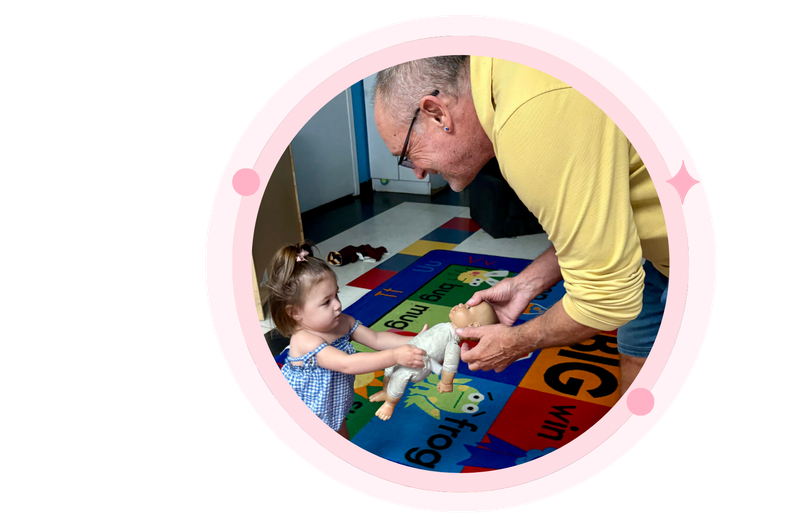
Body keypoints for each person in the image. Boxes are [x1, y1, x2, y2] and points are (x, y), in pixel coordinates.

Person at [372, 56, 669, 395]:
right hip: (654, 243)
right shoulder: (510, 73)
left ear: (437, 113)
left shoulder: (530, 119)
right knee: (639, 350)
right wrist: (527, 284)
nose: (418, 173)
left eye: (407, 154)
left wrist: (518, 341)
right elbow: (596, 221)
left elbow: (605, 300)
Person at [266, 242, 427, 439]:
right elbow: (347, 364)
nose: (337, 305)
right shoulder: (305, 341)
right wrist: (395, 356)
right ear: (295, 312)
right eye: (326, 302)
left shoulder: (342, 322)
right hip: (305, 416)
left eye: (336, 295)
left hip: (332, 407)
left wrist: (418, 340)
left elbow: (377, 339)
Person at [369, 302, 499, 421]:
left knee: (399, 375)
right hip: (407, 352)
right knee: (389, 366)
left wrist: (446, 382)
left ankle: (389, 404)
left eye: (468, 308)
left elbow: (450, 365)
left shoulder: (453, 344)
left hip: (418, 364)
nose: (461, 304)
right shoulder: (444, 326)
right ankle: (386, 391)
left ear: (472, 326)